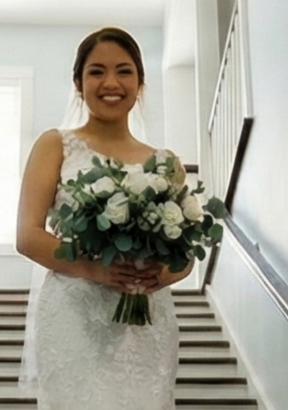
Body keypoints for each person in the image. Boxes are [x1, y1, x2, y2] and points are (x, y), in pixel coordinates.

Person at [15, 27, 193, 409]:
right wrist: (94, 269)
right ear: (78, 83)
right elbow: (28, 236)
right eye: (96, 71)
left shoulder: (167, 163)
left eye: (124, 71)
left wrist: (159, 275)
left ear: (140, 82)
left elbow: (186, 257)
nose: (110, 82)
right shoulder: (55, 145)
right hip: (74, 314)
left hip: (145, 322)